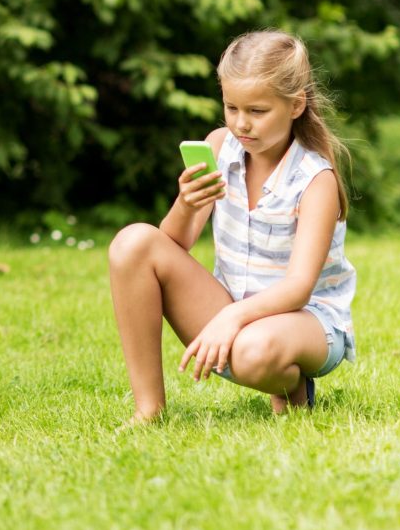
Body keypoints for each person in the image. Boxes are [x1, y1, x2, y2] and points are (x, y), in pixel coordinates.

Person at [108, 29, 357, 423]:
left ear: (295, 106)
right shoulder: (219, 147)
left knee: (255, 351)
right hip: (235, 312)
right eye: (231, 108)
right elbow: (171, 246)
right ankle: (149, 409)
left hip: (304, 322)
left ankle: (291, 383)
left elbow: (297, 288)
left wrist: (230, 318)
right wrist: (187, 204)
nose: (242, 124)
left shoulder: (314, 180)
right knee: (132, 243)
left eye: (258, 111)